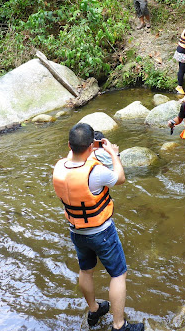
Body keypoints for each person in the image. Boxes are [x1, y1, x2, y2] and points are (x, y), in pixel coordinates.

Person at [52, 124, 144, 331]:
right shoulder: (97, 172)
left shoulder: (59, 167)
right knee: (118, 274)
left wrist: (89, 148)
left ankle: (94, 309)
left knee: (86, 270)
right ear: (91, 147)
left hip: (76, 231)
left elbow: (75, 154)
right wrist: (114, 153)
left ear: (69, 145)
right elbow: (120, 178)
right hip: (101, 231)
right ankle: (119, 325)